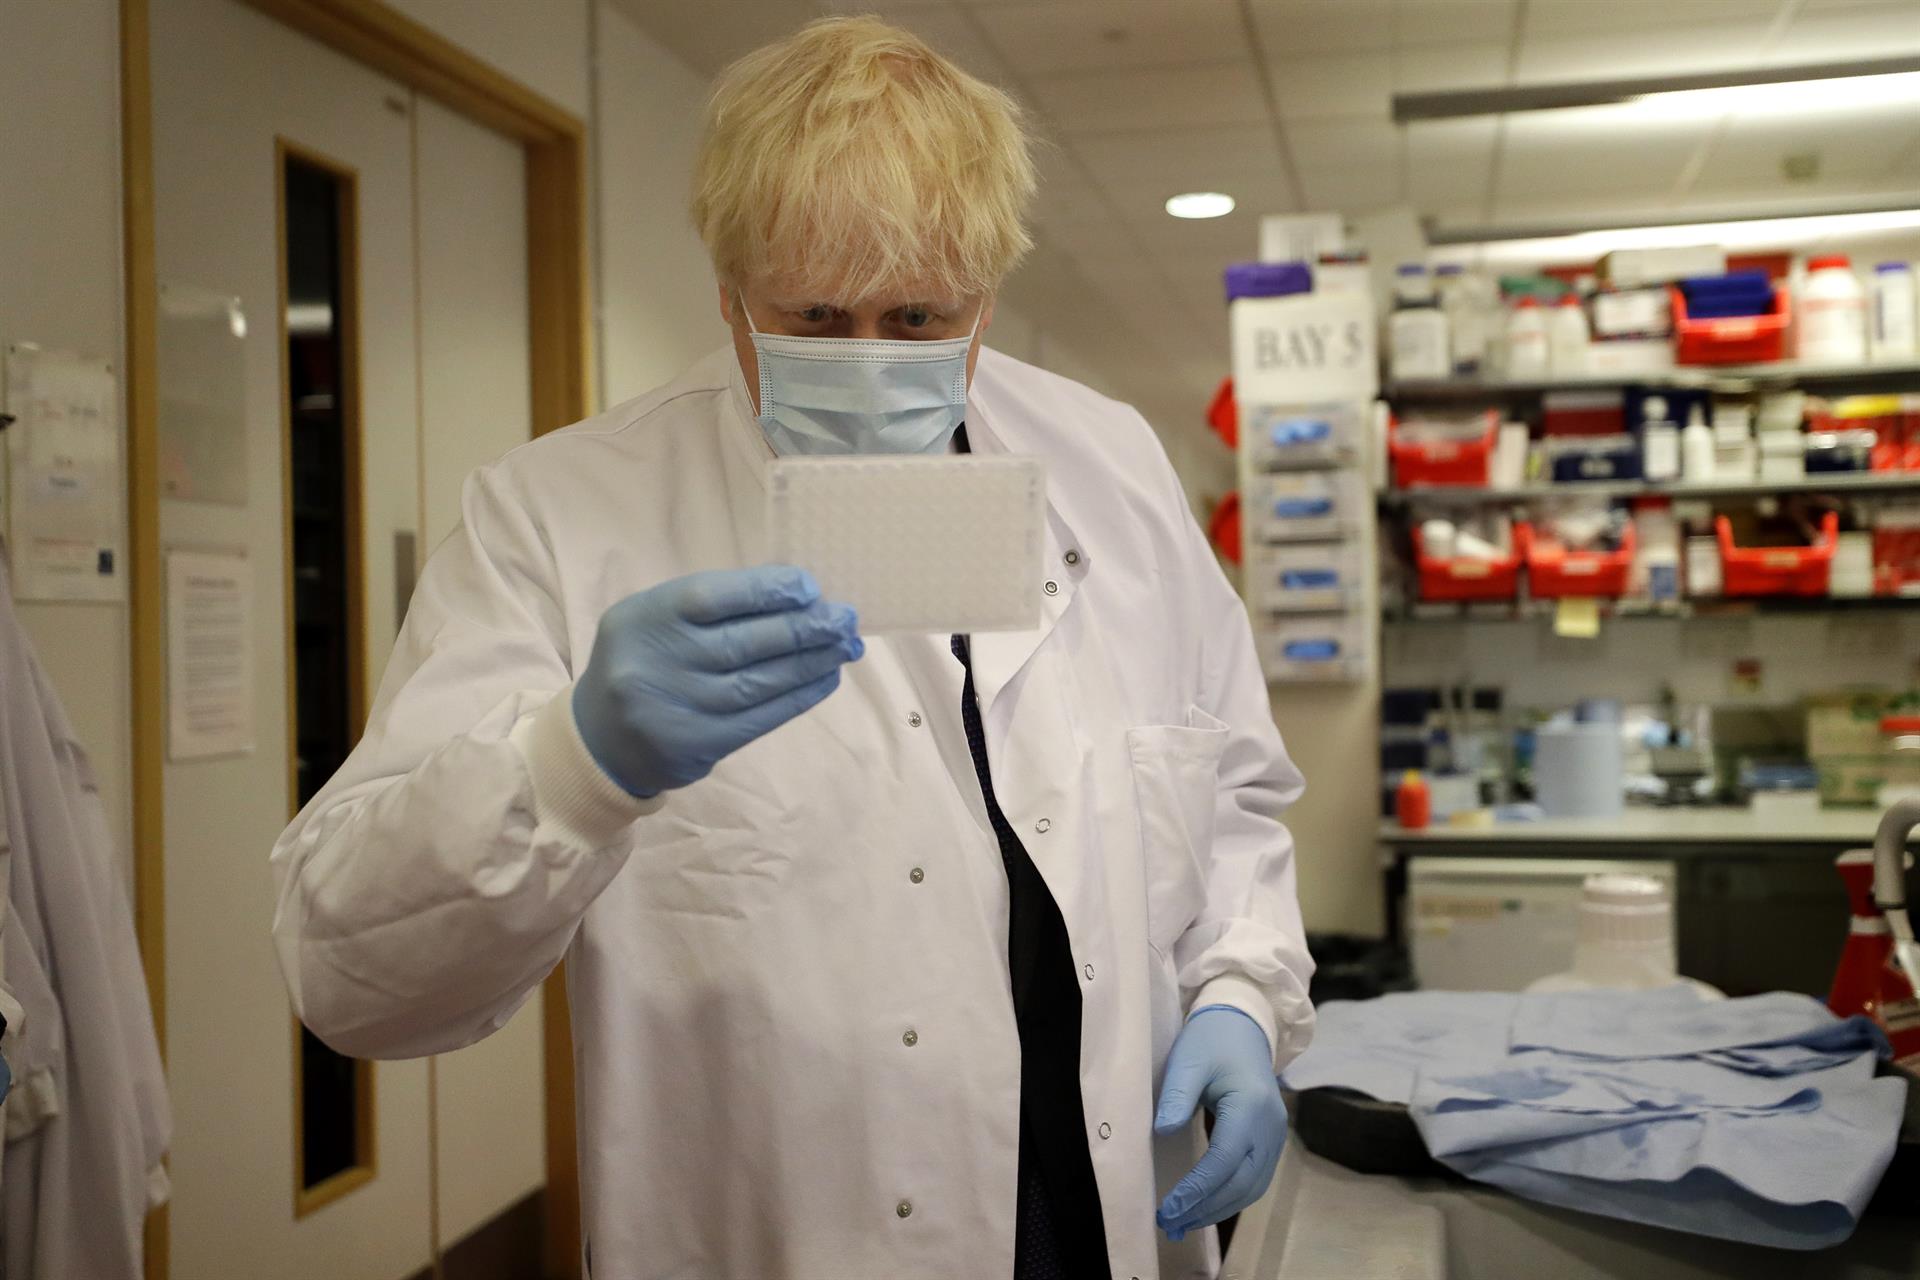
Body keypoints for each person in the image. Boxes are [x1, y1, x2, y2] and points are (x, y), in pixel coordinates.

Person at [269, 16, 1313, 1280]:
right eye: (816, 314)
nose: (872, 358)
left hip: (1107, 1220)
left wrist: (1242, 997)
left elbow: (1234, 793)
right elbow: (354, 981)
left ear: (988, 300)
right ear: (728, 293)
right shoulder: (558, 515)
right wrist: (568, 765)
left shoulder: (1110, 464)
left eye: (922, 317)